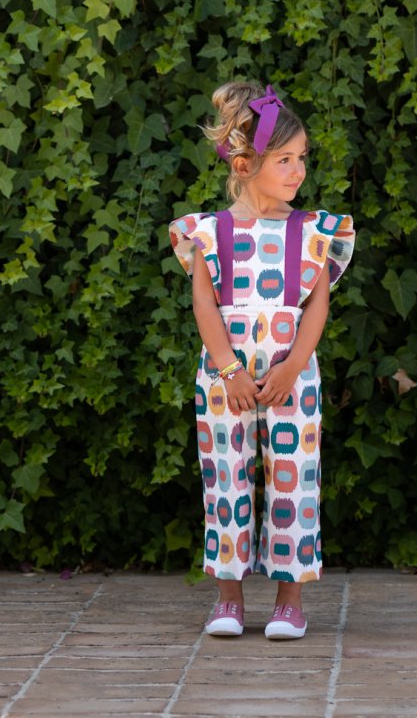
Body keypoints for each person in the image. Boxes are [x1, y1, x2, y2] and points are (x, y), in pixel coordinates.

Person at [168, 81, 355, 640]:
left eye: (302, 158)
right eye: (285, 159)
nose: (299, 171)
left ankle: (289, 603)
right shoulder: (209, 232)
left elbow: (316, 305)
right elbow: (205, 303)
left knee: (294, 482)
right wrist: (227, 369)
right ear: (245, 164)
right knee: (225, 479)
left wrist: (293, 367)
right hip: (224, 379)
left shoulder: (314, 232)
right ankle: (228, 600)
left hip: (292, 377)